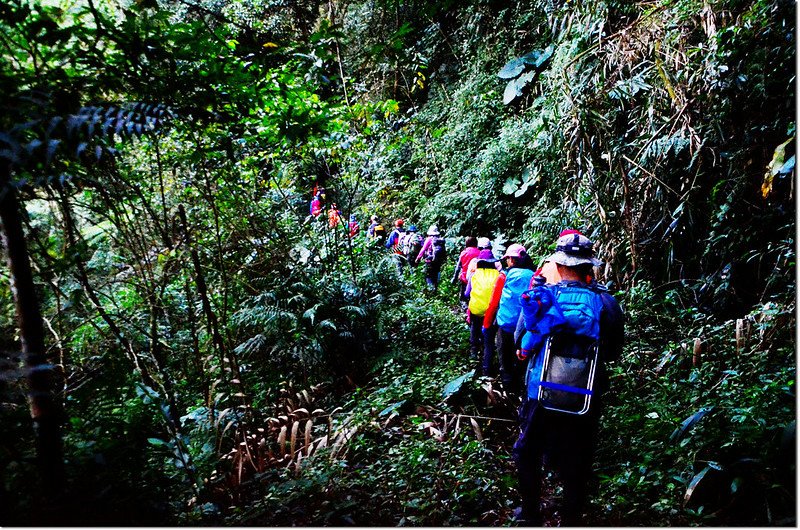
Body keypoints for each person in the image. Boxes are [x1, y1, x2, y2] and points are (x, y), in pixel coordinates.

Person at [512, 232, 624, 526]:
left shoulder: (543, 297)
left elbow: (518, 337)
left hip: (541, 394)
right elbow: (612, 352)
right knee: (578, 458)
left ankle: (530, 513)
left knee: (527, 451)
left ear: (559, 266)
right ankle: (571, 518)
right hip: (585, 396)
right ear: (590, 267)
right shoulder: (607, 303)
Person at [481, 243, 534, 392]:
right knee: (522, 359)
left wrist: (486, 325)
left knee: (505, 361)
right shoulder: (533, 276)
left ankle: (507, 393)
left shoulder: (504, 276)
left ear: (511, 259)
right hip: (525, 327)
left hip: (506, 325)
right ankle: (522, 392)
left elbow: (493, 303)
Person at [465, 248, 500, 364]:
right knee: (489, 341)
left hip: (476, 309)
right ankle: (487, 368)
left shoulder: (474, 274)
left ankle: (473, 355)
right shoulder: (498, 275)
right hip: (491, 311)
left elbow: (466, 293)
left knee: (474, 329)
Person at [415, 224, 447, 290]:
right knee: (436, 273)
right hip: (438, 261)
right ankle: (436, 288)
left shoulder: (429, 239)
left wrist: (418, 258)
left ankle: (431, 290)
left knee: (428, 275)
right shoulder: (440, 239)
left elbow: (423, 249)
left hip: (429, 260)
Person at [452, 237, 480, 305]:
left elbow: (458, 267)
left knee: (463, 298)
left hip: (465, 278)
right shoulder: (479, 253)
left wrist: (454, 278)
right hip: (476, 279)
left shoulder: (464, 253)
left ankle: (464, 310)